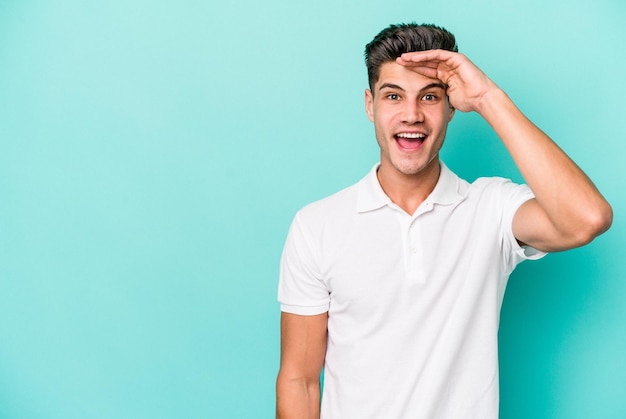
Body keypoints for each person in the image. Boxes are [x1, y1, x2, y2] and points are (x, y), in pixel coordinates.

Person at [275, 23, 612, 418]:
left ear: (452, 106)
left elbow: (587, 218)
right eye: (393, 96)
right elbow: (299, 379)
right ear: (370, 105)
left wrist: (488, 97)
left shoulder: (492, 209)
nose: (412, 115)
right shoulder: (317, 225)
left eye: (430, 96)